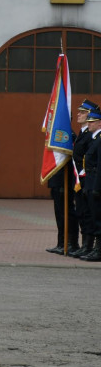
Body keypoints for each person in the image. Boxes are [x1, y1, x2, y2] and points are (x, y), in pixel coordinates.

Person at [70, 100, 97, 257]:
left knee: (88, 213)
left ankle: (89, 246)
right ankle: (85, 244)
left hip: (87, 179)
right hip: (80, 179)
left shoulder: (90, 136)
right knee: (82, 211)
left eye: (83, 112)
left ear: (90, 115)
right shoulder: (83, 133)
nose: (78, 114)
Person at [79, 107, 101, 262]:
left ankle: (98, 250)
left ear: (99, 123)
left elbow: (99, 166)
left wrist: (96, 187)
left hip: (96, 185)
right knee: (93, 216)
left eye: (92, 122)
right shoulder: (94, 139)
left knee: (98, 217)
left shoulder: (99, 140)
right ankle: (95, 248)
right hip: (90, 183)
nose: (89, 124)